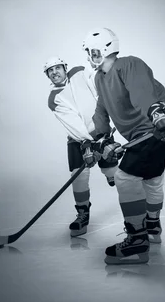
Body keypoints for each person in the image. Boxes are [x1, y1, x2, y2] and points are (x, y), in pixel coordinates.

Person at [81, 27, 165, 265]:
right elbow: (102, 110)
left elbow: (143, 92)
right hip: (141, 134)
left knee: (125, 178)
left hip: (155, 126)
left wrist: (155, 111)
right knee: (152, 178)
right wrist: (100, 139)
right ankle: (152, 228)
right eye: (87, 52)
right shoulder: (100, 78)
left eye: (92, 51)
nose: (90, 56)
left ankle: (137, 241)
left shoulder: (129, 64)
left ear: (103, 50)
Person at [44, 56, 118, 237]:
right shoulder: (54, 98)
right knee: (78, 176)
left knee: (112, 171)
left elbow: (98, 88)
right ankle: (83, 213)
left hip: (100, 130)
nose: (54, 72)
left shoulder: (78, 71)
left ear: (64, 67)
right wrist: (86, 142)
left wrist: (107, 119)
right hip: (78, 138)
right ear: (48, 76)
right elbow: (72, 122)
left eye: (57, 68)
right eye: (50, 71)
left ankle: (113, 178)